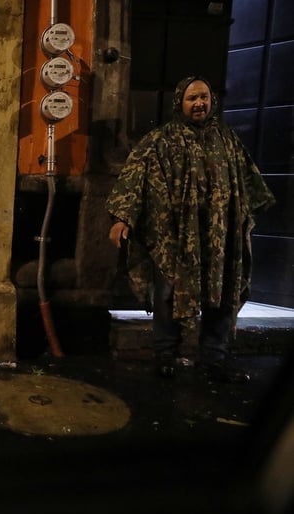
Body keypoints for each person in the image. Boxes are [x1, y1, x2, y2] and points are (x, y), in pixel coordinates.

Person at [106, 76, 275, 382]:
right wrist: (122, 218)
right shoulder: (160, 140)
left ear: (212, 101)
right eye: (192, 98)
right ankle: (165, 355)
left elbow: (250, 183)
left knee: (221, 292)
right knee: (168, 293)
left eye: (204, 98)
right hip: (173, 237)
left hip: (218, 236)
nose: (199, 103)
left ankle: (214, 357)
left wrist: (245, 219)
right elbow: (133, 179)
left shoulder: (227, 139)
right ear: (179, 103)